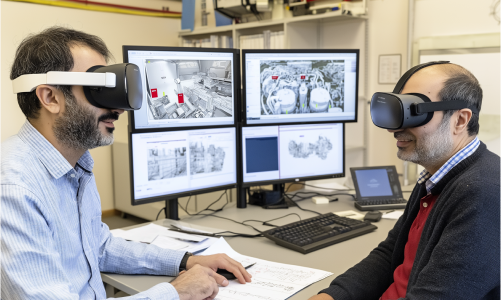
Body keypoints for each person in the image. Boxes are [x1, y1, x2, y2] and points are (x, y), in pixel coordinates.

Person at [0, 26, 251, 300]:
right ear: (50, 97)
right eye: (99, 90)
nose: (119, 109)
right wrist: (176, 293)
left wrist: (186, 261)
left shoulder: (75, 165)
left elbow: (98, 246)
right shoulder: (14, 188)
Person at [309, 63, 501, 299]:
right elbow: (391, 256)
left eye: (414, 111)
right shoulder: (434, 178)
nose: (396, 129)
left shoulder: (484, 193)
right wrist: (332, 296)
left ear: (460, 120)